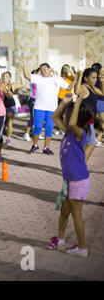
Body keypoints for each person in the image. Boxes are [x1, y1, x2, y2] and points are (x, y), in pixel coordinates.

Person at [49, 93, 97, 257]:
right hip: (69, 180)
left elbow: (71, 122)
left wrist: (77, 103)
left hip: (79, 180)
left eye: (68, 114)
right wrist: (64, 103)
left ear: (75, 117)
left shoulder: (79, 134)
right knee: (64, 211)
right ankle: (61, 239)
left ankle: (82, 248)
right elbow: (55, 117)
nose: (66, 116)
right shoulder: (68, 132)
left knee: (76, 214)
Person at [21, 58, 77, 155]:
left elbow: (69, 87)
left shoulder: (57, 78)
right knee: (37, 127)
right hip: (39, 107)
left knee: (49, 128)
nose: (43, 71)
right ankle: (35, 145)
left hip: (51, 109)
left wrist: (77, 78)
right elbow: (26, 75)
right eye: (41, 70)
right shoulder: (38, 78)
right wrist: (24, 62)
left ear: (50, 69)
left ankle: (46, 147)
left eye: (45, 69)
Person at [74, 68, 104, 162]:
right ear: (86, 78)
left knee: (86, 144)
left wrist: (102, 82)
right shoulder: (84, 88)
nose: (95, 80)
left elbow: (102, 93)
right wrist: (79, 76)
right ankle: (81, 167)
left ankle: (80, 166)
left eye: (96, 78)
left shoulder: (94, 89)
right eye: (93, 78)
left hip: (89, 120)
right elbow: (76, 91)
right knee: (90, 144)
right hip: (83, 120)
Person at [1, 71, 25, 144]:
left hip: (10, 106)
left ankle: (8, 138)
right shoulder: (0, 85)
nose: (5, 78)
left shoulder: (12, 85)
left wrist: (21, 76)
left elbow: (23, 84)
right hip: (1, 107)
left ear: (10, 78)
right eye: (4, 76)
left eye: (7, 76)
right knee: (1, 123)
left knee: (9, 123)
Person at [23, 68, 40, 141]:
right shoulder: (34, 80)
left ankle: (36, 133)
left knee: (38, 118)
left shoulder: (40, 80)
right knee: (33, 118)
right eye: (39, 72)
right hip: (33, 99)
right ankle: (26, 134)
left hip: (38, 100)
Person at [91, 63, 104, 146]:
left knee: (90, 121)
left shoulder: (90, 77)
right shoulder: (101, 77)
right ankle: (97, 140)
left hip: (91, 100)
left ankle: (93, 139)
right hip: (100, 101)